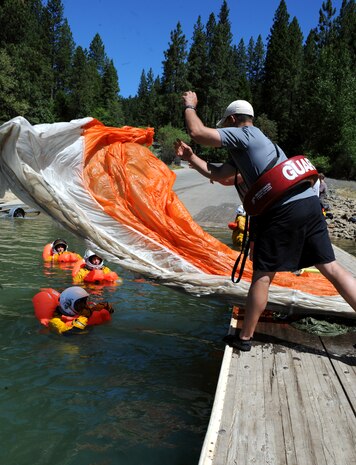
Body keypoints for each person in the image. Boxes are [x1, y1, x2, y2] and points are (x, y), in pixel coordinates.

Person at [174, 91, 356, 351]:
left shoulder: (246, 133)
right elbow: (222, 176)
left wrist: (190, 106)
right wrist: (191, 158)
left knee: (262, 274)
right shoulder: (253, 148)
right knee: (331, 268)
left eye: (226, 124)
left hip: (283, 210)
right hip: (308, 204)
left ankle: (244, 338)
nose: (225, 131)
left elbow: (198, 132)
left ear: (234, 119)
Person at [33, 286, 114, 335]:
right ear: (67, 305)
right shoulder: (56, 320)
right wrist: (81, 321)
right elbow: (67, 333)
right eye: (80, 303)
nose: (84, 305)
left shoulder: (82, 310)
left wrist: (104, 307)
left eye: (84, 301)